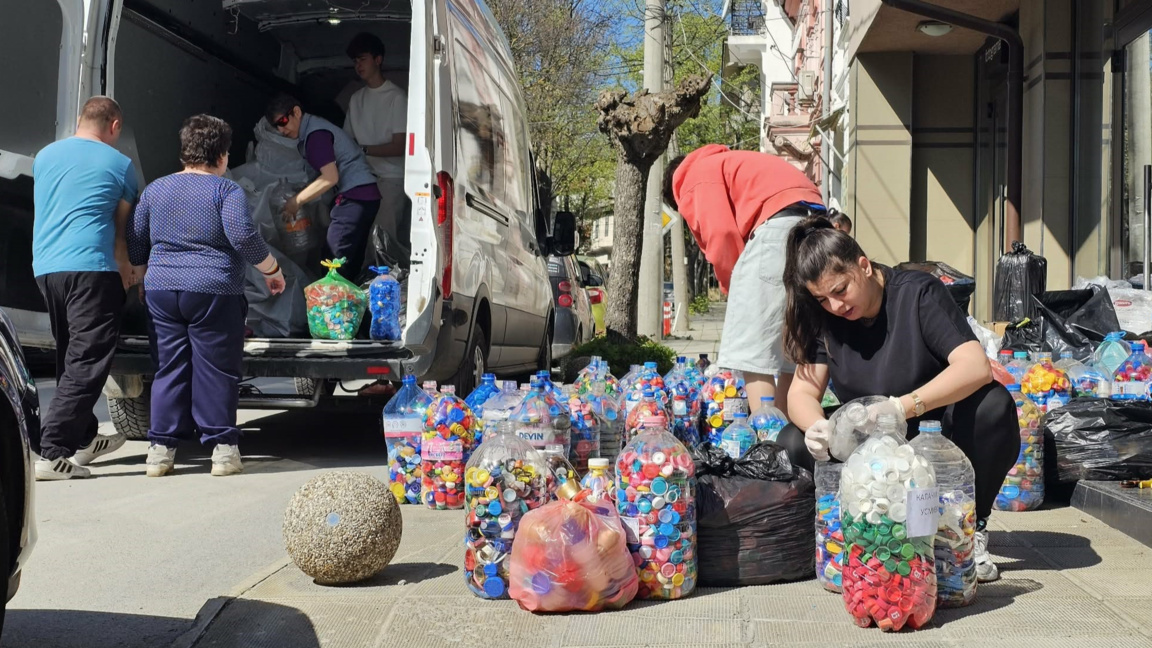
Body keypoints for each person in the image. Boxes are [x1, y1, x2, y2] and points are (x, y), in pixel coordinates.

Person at [777, 217, 1018, 582]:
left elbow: (974, 366)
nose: (835, 306)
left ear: (864, 266)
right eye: (822, 299)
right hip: (864, 444)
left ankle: (967, 533)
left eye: (841, 291)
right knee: (792, 441)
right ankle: (841, 535)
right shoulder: (824, 317)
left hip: (931, 435)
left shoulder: (917, 293)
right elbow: (802, 392)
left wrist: (900, 407)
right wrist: (818, 427)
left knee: (993, 407)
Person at [127, 115, 286, 477]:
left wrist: (142, 272)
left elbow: (137, 237)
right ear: (221, 156)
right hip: (214, 291)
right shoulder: (224, 191)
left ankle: (160, 451)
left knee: (169, 367)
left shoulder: (156, 189)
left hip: (162, 291)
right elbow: (243, 235)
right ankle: (223, 450)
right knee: (215, 369)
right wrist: (272, 271)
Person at [663, 145, 825, 415]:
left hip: (777, 230)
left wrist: (732, 286)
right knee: (794, 343)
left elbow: (721, 235)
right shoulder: (729, 162)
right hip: (816, 226)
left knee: (753, 349)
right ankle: (790, 429)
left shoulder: (693, 177)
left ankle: (766, 434)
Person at [31, 96, 138, 480]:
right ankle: (53, 452)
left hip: (47, 268)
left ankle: (85, 438)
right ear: (114, 126)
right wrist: (128, 270)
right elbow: (122, 234)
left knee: (70, 357)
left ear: (80, 120)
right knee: (88, 359)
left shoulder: (44, 156)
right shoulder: (121, 165)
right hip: (93, 268)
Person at [266, 94, 381, 280]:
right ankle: (352, 302)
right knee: (349, 259)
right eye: (276, 126)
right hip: (364, 195)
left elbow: (330, 177)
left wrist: (297, 201)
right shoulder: (314, 130)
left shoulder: (315, 135)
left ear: (296, 112)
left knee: (333, 259)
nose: (281, 129)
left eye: (283, 121)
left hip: (355, 195)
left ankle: (332, 306)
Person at [343, 33, 409, 258]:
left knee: (382, 240)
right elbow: (346, 140)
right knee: (358, 237)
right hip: (363, 178)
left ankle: (385, 288)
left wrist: (364, 150)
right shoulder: (356, 99)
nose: (357, 65)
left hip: (391, 179)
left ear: (378, 60)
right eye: (354, 61)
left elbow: (400, 146)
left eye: (362, 59)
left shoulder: (397, 98)